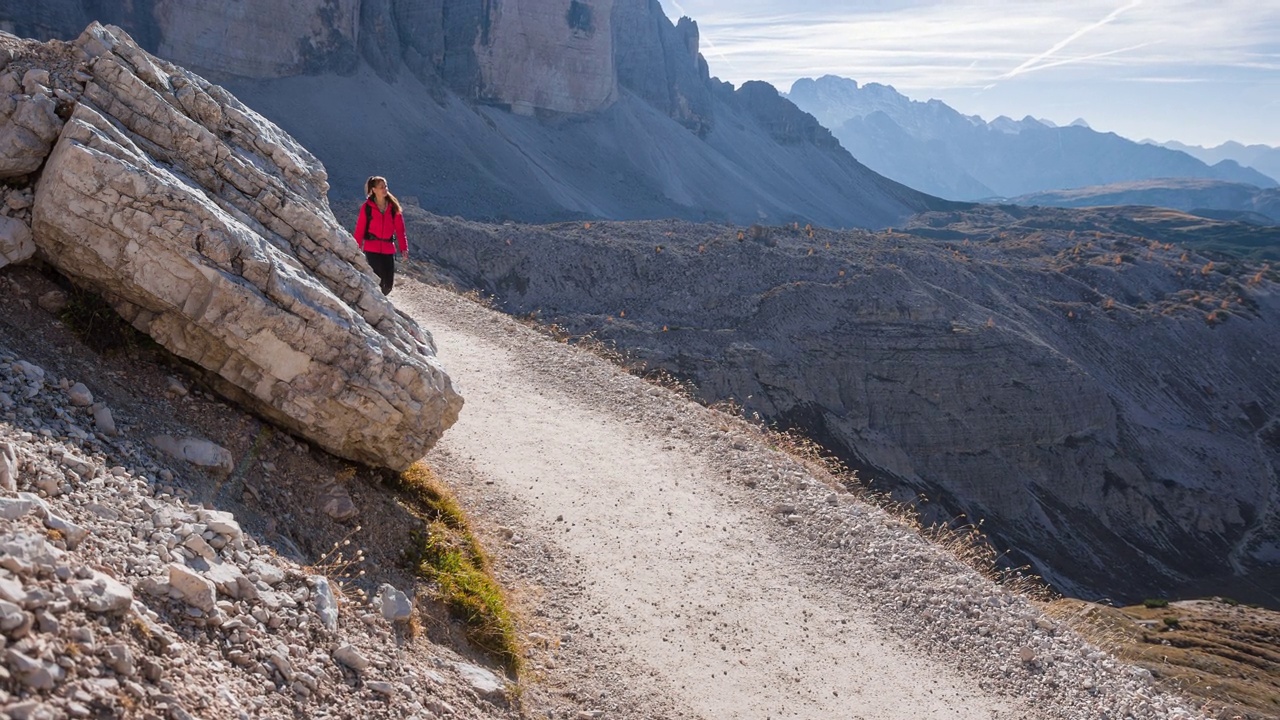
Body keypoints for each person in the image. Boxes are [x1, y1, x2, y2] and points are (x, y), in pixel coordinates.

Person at [353, 176, 407, 295]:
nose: (385, 189)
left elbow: (400, 230)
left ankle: (382, 300)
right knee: (377, 277)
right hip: (371, 248)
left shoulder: (393, 207)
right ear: (373, 190)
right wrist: (355, 248)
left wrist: (403, 248)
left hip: (388, 248)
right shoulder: (367, 208)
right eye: (381, 187)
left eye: (385, 186)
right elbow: (360, 229)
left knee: (388, 283)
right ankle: (376, 302)